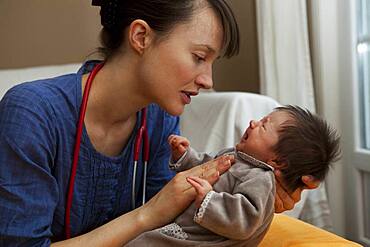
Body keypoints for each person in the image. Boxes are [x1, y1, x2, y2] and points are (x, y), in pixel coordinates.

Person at [0, 1, 318, 246]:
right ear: (141, 36)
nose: (208, 80)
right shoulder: (32, 113)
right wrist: (146, 214)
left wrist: (252, 194)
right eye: (198, 56)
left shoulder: (159, 118)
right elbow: (155, 214)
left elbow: (172, 225)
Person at [126, 105, 341, 247]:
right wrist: (185, 156)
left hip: (205, 241)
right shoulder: (234, 155)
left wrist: (209, 198)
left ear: (277, 162)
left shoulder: (261, 179)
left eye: (263, 126)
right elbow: (204, 166)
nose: (253, 123)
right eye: (260, 119)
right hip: (184, 229)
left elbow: (246, 218)